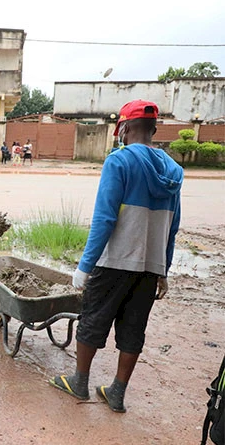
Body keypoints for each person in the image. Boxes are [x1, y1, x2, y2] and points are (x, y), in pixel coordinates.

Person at [49, 100, 183, 413]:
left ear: (124, 127)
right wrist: (164, 269)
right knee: (134, 328)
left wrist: (84, 267)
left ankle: (80, 382)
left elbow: (105, 219)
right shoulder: (174, 171)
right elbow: (173, 227)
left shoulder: (119, 161)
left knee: (93, 319)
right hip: (150, 266)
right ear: (153, 129)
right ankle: (117, 393)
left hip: (114, 262)